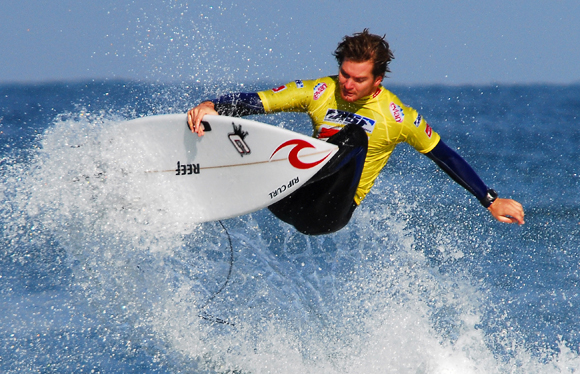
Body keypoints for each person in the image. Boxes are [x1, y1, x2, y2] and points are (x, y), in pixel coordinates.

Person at [187, 29, 525, 235]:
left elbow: (445, 156)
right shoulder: (320, 90)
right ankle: (201, 183)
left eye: (358, 78)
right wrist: (213, 105)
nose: (347, 84)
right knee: (240, 132)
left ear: (378, 80)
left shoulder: (397, 116)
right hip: (286, 195)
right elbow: (259, 102)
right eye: (345, 74)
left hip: (328, 212)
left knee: (354, 137)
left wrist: (490, 201)